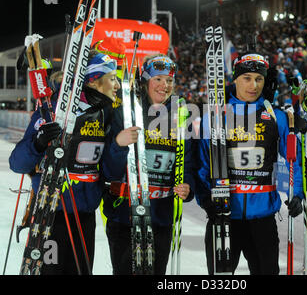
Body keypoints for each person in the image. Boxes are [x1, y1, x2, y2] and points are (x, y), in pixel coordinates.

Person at [9, 50, 137, 275]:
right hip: (50, 215)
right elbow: (17, 163)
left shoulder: (107, 115)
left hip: (85, 217)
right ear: (93, 81)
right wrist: (38, 144)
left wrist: (117, 145)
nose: (116, 85)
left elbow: (111, 172)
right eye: (111, 78)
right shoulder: (55, 110)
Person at [195, 52, 303, 275]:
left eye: (259, 79)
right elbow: (203, 164)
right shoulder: (215, 115)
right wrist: (206, 199)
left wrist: (298, 194)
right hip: (223, 215)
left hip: (262, 219)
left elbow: (295, 160)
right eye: (247, 78)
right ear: (235, 78)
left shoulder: (276, 117)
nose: (253, 85)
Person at [101, 53, 195, 275]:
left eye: (169, 80)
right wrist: (118, 144)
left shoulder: (180, 116)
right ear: (145, 81)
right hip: (124, 215)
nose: (165, 85)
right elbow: (107, 170)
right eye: (158, 79)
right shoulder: (124, 112)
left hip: (161, 217)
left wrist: (187, 186)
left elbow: (188, 162)